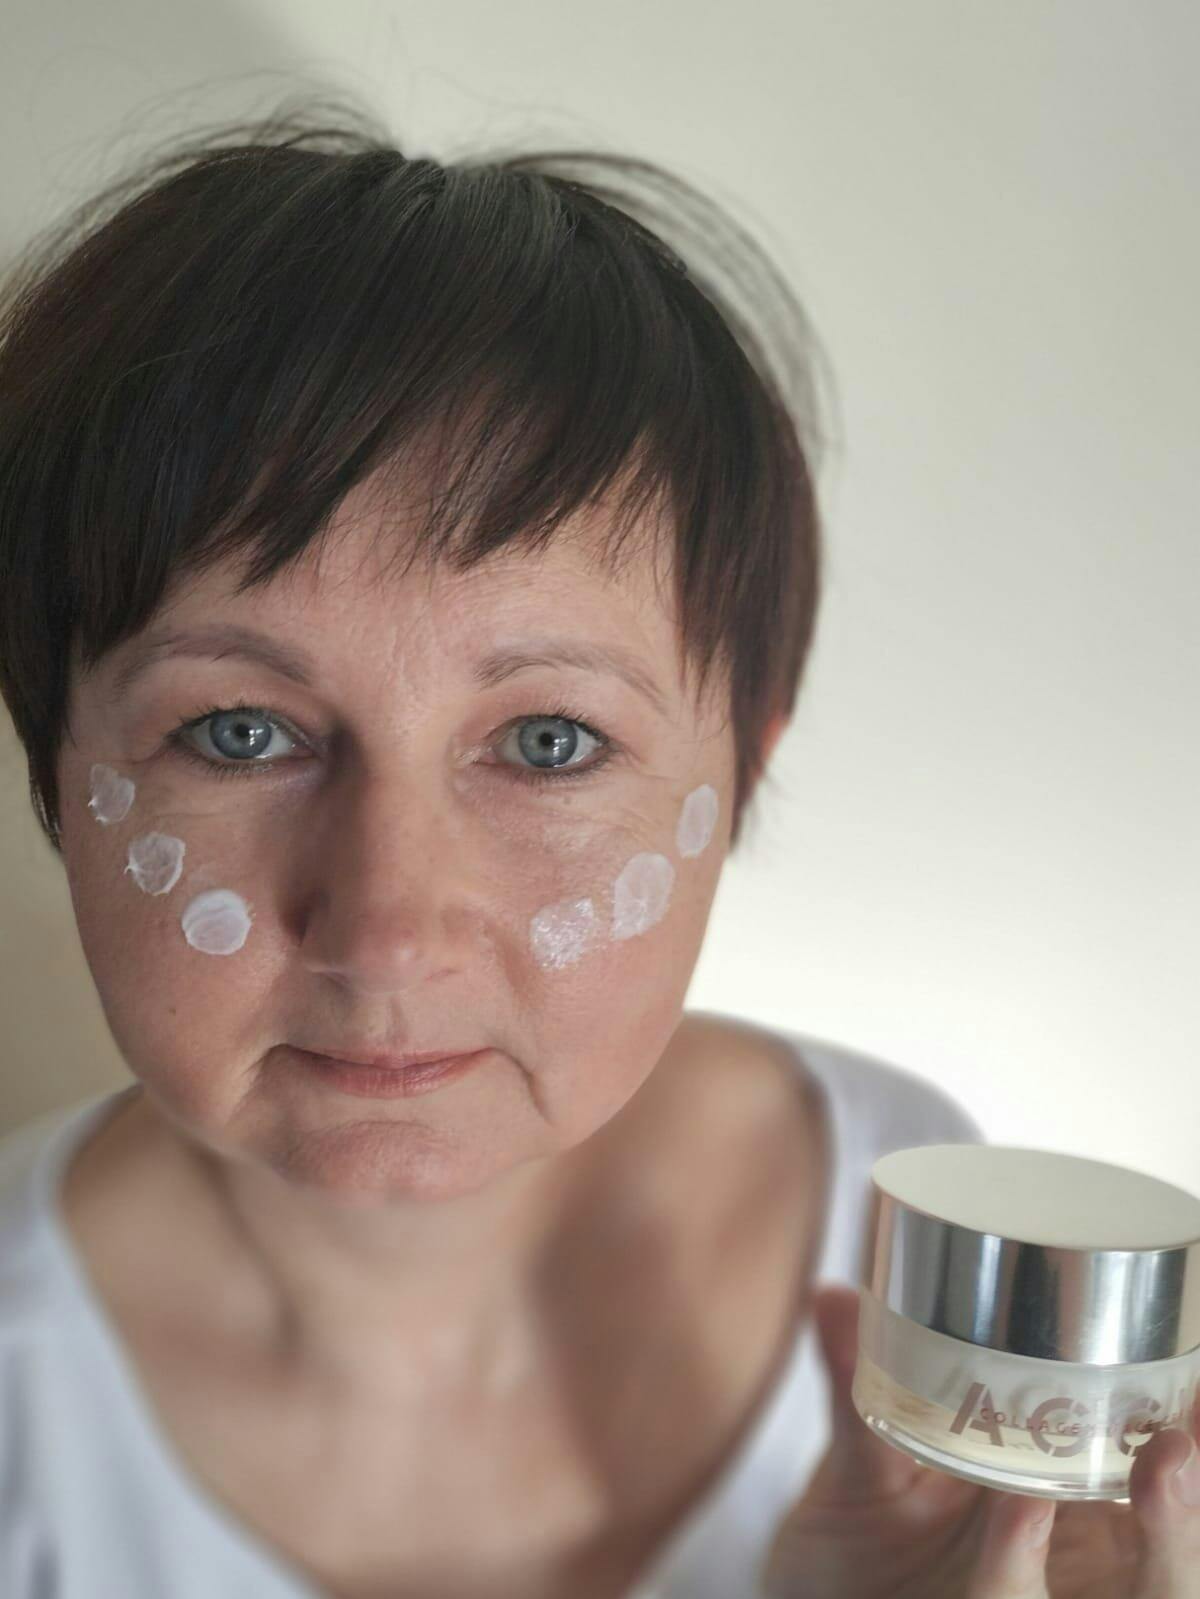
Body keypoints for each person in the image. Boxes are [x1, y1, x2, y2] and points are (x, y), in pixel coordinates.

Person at [2, 98, 1196, 1599]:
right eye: (239, 732)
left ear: (741, 768)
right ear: (55, 766)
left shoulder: (921, 1270)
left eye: (549, 742)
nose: (388, 933)